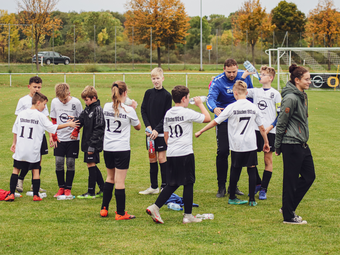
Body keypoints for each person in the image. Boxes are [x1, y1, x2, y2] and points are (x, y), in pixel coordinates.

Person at [196, 81, 270, 206]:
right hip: (250, 144)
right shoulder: (253, 107)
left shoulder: (231, 107)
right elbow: (262, 128)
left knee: (235, 168)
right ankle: (252, 199)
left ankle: (232, 197)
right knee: (251, 169)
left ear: (235, 93)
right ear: (246, 93)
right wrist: (266, 142)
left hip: (236, 144)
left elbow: (215, 121)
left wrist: (201, 131)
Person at [146, 85, 211, 224]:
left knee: (173, 183)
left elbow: (166, 136)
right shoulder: (187, 112)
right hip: (185, 152)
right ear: (184, 98)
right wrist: (200, 104)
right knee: (188, 183)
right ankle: (188, 216)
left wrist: (173, 147)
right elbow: (207, 118)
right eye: (188, 97)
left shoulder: (168, 113)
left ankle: (155, 207)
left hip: (172, 152)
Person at [4, 92, 78, 202]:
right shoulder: (40, 116)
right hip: (33, 149)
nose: (44, 107)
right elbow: (53, 127)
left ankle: (11, 194)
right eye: (44, 104)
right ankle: (35, 195)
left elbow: (15, 130)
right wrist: (69, 124)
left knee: (16, 169)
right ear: (38, 103)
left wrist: (14, 143)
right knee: (35, 170)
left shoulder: (22, 114)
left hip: (21, 147)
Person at [207, 58, 254, 198]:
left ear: (237, 68)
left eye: (234, 71)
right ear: (224, 69)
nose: (232, 75)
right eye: (229, 72)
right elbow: (210, 98)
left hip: (240, 121)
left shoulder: (244, 76)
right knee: (222, 152)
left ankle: (233, 186)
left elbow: (250, 95)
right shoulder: (218, 81)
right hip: (224, 121)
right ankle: (221, 186)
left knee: (237, 153)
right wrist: (214, 108)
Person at [275, 64, 315, 224]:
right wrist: (277, 145)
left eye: (310, 79)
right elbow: (281, 123)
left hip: (302, 143)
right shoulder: (291, 98)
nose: (309, 82)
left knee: (309, 176)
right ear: (297, 80)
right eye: (306, 79)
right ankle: (289, 216)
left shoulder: (301, 94)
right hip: (291, 144)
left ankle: (287, 206)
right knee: (290, 180)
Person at [100, 81, 141, 220]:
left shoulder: (106, 106)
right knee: (120, 182)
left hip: (108, 147)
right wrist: (133, 108)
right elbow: (138, 127)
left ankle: (104, 208)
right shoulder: (129, 110)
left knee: (109, 178)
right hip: (122, 148)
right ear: (125, 93)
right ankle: (120, 213)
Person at [246, 66, 281, 200]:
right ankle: (257, 183)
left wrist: (270, 127)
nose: (261, 76)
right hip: (254, 130)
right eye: (260, 74)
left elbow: (280, 114)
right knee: (250, 159)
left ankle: (263, 189)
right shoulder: (255, 91)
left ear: (271, 78)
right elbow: (238, 90)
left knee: (268, 160)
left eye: (264, 74)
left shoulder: (276, 94)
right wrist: (245, 76)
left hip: (270, 132)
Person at [139, 67, 172, 195]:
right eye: (153, 78)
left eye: (158, 78)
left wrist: (157, 130)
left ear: (162, 78)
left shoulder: (167, 95)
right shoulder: (148, 93)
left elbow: (166, 115)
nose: (156, 81)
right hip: (150, 133)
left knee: (161, 158)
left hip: (161, 132)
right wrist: (149, 127)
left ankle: (164, 186)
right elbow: (143, 110)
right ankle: (154, 186)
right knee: (152, 158)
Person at [14, 76, 50, 193]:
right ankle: (20, 180)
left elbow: (46, 119)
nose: (37, 89)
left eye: (39, 87)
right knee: (24, 160)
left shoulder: (42, 100)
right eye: (35, 87)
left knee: (37, 160)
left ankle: (35, 185)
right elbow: (18, 121)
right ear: (29, 87)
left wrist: (51, 136)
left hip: (39, 136)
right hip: (26, 136)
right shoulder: (23, 100)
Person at [71, 86, 105, 199]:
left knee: (91, 165)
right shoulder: (87, 108)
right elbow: (81, 120)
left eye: (86, 99)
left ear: (93, 98)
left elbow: (99, 128)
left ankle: (91, 192)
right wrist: (74, 120)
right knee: (91, 165)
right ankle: (103, 188)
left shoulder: (98, 109)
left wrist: (92, 145)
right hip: (87, 142)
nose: (85, 102)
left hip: (93, 144)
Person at [50, 83, 83, 198]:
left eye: (64, 99)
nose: (63, 101)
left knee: (70, 163)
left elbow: (80, 119)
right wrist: (53, 136)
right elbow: (53, 120)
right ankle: (61, 187)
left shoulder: (76, 103)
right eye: (60, 99)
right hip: (59, 138)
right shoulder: (54, 102)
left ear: (69, 93)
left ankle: (68, 188)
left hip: (72, 139)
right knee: (58, 162)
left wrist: (76, 131)